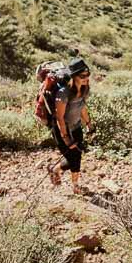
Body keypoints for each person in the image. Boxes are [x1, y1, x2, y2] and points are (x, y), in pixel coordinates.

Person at [47, 57, 94, 194]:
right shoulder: (63, 93)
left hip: (76, 127)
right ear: (74, 77)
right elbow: (60, 118)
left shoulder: (84, 90)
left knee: (76, 156)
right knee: (73, 157)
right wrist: (66, 137)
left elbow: (82, 108)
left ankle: (59, 173)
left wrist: (89, 123)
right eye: (82, 76)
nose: (86, 78)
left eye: (88, 75)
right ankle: (75, 186)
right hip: (62, 130)